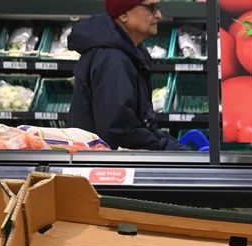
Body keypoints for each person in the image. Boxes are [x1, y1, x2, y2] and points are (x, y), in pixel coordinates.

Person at [68, 0, 183, 150]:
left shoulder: (127, 52)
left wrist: (168, 143)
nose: (159, 15)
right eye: (151, 8)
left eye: (158, 8)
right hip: (100, 168)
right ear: (123, 15)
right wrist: (167, 147)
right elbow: (118, 129)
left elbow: (135, 122)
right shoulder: (111, 58)